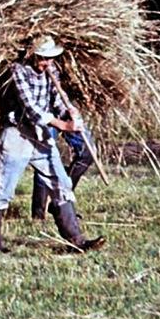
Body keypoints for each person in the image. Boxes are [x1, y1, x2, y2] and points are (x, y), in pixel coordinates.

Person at [0, 35, 104, 253]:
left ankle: (76, 242)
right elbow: (32, 109)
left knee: (61, 184)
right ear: (32, 55)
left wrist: (69, 112)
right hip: (17, 136)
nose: (47, 63)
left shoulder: (51, 70)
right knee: (4, 191)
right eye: (43, 58)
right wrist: (63, 126)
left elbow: (57, 98)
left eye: (50, 58)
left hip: (40, 137)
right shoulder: (18, 71)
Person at [30, 83, 96, 220]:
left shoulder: (55, 72)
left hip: (60, 112)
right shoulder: (27, 73)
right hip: (41, 114)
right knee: (44, 160)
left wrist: (68, 111)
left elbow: (58, 91)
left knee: (87, 152)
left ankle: (60, 201)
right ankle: (39, 215)